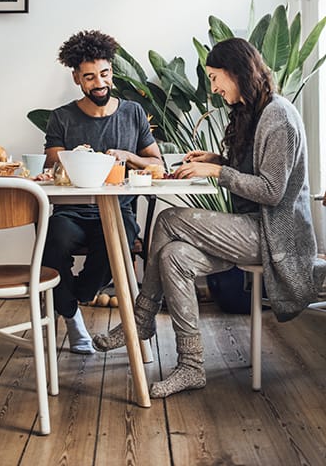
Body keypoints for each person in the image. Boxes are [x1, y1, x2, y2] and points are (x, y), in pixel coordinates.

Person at [93, 37, 326, 397]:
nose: (214, 88)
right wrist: (219, 161)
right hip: (250, 229)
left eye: (216, 78)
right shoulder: (254, 111)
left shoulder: (278, 115)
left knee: (169, 220)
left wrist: (218, 173)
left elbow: (272, 191)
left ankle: (139, 321)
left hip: (273, 236)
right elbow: (254, 172)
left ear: (237, 72)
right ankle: (191, 367)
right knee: (173, 257)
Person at [42, 30, 162, 354]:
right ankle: (72, 319)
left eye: (105, 74)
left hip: (117, 211)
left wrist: (128, 156)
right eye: (90, 76)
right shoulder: (62, 118)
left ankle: (76, 296)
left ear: (112, 72)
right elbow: (53, 163)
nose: (100, 83)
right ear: (77, 78)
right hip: (72, 212)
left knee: (118, 241)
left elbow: (156, 164)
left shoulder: (133, 113)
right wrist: (74, 159)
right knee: (52, 241)